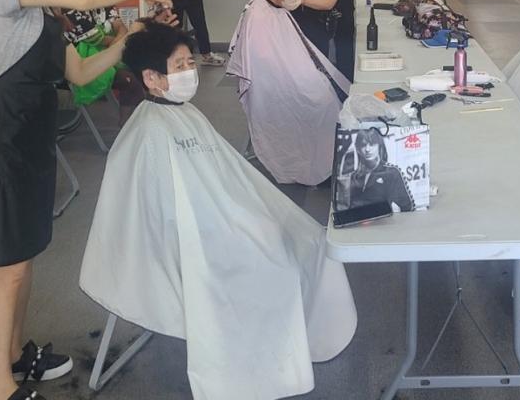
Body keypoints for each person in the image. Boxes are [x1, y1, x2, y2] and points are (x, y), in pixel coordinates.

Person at [0, 0, 171, 400]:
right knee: (3, 270)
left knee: (22, 257)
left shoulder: (41, 7)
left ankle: (14, 355)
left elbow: (79, 73)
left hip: (29, 139)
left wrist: (130, 39)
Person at [79, 22, 357, 400]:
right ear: (151, 78)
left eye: (190, 63)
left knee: (309, 238)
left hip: (217, 218)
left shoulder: (185, 114)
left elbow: (226, 177)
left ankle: (302, 338)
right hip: (188, 241)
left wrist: (248, 214)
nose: (189, 73)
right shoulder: (146, 133)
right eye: (179, 66)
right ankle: (266, 368)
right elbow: (162, 216)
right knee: (274, 264)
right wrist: (233, 227)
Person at [227, 0, 350, 186]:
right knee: (321, 101)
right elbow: (264, 63)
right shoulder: (258, 14)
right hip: (272, 84)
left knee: (328, 92)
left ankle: (326, 158)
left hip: (289, 74)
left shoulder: (275, 8)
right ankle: (315, 164)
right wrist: (298, 77)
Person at [62, 0, 145, 125]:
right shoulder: (70, 4)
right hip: (82, 62)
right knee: (131, 81)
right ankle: (126, 128)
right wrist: (118, 44)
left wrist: (115, 44)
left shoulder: (105, 0)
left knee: (144, 69)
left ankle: (134, 126)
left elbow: (120, 26)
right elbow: (96, 38)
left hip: (109, 53)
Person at [336, 129, 414, 212]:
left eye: (372, 144)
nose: (367, 149)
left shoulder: (391, 172)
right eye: (363, 145)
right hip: (356, 219)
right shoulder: (354, 175)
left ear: (379, 146)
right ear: (358, 148)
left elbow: (408, 207)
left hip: (381, 219)